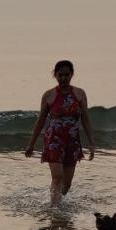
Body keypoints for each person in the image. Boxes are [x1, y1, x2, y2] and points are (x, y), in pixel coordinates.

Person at [24, 59, 94, 206]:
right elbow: (41, 121)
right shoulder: (49, 95)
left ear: (72, 75)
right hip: (54, 141)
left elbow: (86, 120)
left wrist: (92, 144)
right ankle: (54, 210)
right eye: (60, 75)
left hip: (73, 142)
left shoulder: (80, 94)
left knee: (67, 184)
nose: (63, 78)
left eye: (66, 75)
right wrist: (31, 144)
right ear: (55, 75)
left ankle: (56, 202)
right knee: (57, 176)